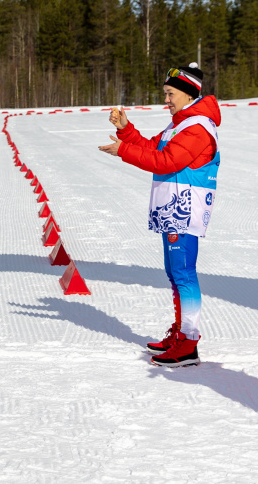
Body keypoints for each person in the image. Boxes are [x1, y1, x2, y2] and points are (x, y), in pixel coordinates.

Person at [99, 62, 219, 368]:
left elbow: (165, 161)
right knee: (174, 273)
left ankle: (188, 344)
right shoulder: (180, 124)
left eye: (170, 94)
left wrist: (122, 151)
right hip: (172, 209)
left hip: (186, 209)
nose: (166, 100)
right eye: (165, 93)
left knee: (183, 273)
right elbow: (151, 147)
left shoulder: (198, 127)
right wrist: (125, 130)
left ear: (188, 93)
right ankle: (180, 333)